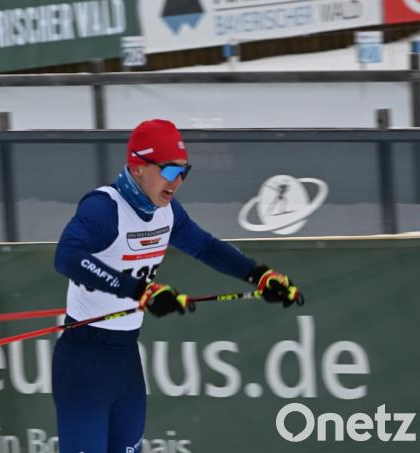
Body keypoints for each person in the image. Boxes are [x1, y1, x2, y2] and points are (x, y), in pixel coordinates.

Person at [51, 118, 304, 452]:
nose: (178, 181)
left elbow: (206, 247)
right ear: (137, 167)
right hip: (84, 360)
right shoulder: (105, 208)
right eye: (169, 170)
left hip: (125, 360)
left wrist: (259, 275)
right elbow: (67, 257)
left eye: (184, 171)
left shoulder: (166, 212)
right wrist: (139, 291)